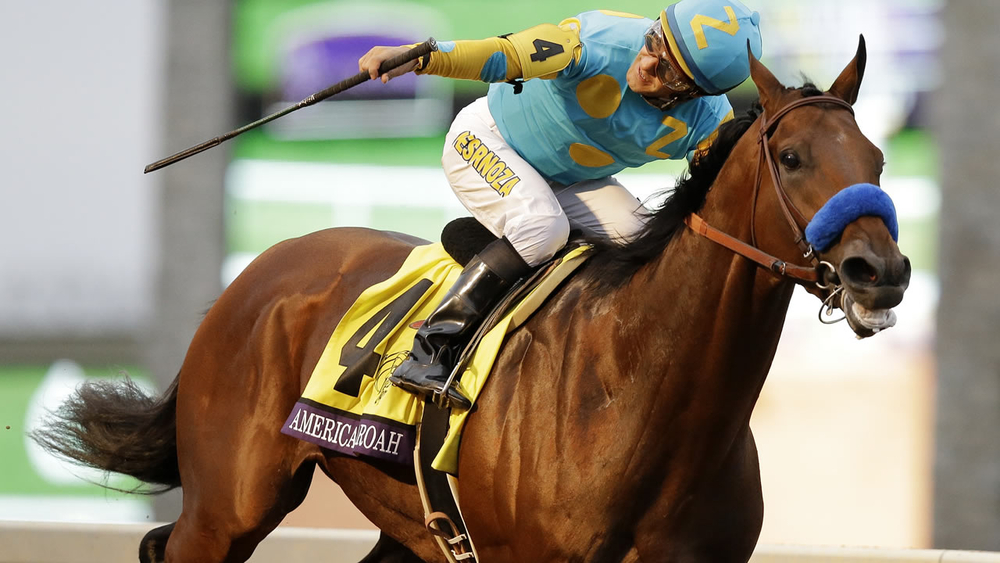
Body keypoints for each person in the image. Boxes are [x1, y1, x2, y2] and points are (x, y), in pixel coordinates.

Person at [359, 0, 762, 409]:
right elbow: (505, 53)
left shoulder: (710, 120)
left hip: (573, 180)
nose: (646, 64)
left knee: (649, 247)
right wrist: (419, 58)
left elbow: (727, 197)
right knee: (543, 229)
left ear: (696, 93)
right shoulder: (598, 41)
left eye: (669, 72)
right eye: (654, 41)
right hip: (488, 139)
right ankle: (430, 348)